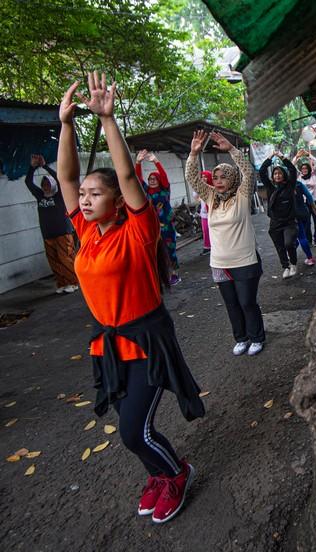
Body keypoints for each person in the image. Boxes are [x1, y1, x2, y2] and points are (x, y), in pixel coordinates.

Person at [57, 73, 203, 524]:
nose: (83, 199)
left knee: (132, 431)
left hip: (146, 341)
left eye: (94, 194)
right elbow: (65, 175)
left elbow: (123, 172)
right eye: (82, 195)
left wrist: (107, 119)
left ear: (118, 202)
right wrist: (64, 125)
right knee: (134, 427)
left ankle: (176, 473)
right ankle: (159, 475)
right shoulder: (86, 232)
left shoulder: (138, 232)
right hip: (109, 345)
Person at [186, 129, 266, 356]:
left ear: (232, 179)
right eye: (216, 177)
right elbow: (192, 179)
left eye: (223, 177)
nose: (218, 181)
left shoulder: (242, 195)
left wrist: (231, 149)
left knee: (247, 302)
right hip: (219, 263)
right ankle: (241, 338)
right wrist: (193, 154)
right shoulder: (211, 197)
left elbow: (248, 172)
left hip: (245, 261)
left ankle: (257, 337)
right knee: (231, 304)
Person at [24, 153, 79, 293]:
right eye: (43, 184)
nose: (45, 186)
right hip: (48, 234)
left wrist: (45, 166)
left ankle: (73, 282)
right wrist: (32, 167)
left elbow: (60, 180)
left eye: (48, 184)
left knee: (66, 258)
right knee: (54, 260)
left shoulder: (60, 195)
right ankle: (62, 284)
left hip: (63, 232)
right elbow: (28, 183)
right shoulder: (40, 195)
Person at [259, 151, 316, 278]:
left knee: (288, 243)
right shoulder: (271, 188)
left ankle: (293, 263)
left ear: (284, 175)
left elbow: (292, 169)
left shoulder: (290, 186)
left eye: (280, 173)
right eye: (275, 173)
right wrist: (270, 158)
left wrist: (282, 157)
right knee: (280, 247)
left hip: (290, 222)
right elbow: (262, 172)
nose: (277, 175)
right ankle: (285, 267)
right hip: (275, 223)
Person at [135, 150, 180, 285]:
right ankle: (161, 274)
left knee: (169, 250)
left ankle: (175, 274)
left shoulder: (164, 189)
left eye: (154, 178)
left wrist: (156, 161)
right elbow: (137, 178)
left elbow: (164, 176)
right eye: (150, 179)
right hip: (152, 226)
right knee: (155, 251)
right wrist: (138, 162)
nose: (152, 181)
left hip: (166, 225)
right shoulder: (146, 190)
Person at [293, 148, 316, 246]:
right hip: (305, 203)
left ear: (309, 169)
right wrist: (297, 157)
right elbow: (291, 167)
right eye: (302, 169)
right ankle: (309, 240)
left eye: (306, 169)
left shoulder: (314, 175)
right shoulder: (299, 177)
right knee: (306, 223)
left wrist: (308, 155)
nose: (304, 170)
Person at [195, 171, 213, 256]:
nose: (203, 178)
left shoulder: (213, 188)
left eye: (205, 177)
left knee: (213, 230)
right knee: (205, 230)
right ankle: (207, 247)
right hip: (204, 214)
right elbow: (196, 197)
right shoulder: (201, 188)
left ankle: (214, 246)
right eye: (202, 177)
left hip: (213, 214)